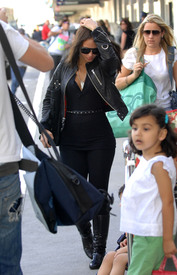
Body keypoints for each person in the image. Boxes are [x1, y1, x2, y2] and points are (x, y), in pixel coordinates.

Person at [40, 17, 128, 270]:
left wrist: (97, 31)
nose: (91, 54)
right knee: (76, 194)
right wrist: (46, 127)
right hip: (70, 139)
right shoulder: (64, 68)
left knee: (99, 193)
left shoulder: (103, 66)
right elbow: (50, 98)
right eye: (86, 50)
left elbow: (111, 56)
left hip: (100, 137)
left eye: (94, 49)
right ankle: (86, 236)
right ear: (77, 47)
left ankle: (100, 249)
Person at [0, 8, 54, 275]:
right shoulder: (1, 30)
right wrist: (7, 28)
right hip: (3, 167)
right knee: (8, 263)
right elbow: (46, 62)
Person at [120, 104, 177, 275]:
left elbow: (168, 202)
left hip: (151, 234)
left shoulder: (158, 165)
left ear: (162, 133)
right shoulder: (150, 159)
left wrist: (168, 240)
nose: (138, 133)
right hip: (145, 232)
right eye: (134, 128)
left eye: (146, 129)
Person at [115, 14, 177, 110]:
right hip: (141, 112)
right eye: (147, 32)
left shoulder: (171, 53)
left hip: (165, 110)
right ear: (142, 33)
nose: (151, 36)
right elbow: (117, 84)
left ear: (162, 33)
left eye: (155, 32)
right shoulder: (134, 54)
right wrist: (134, 75)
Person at [97, 185, 128, 275]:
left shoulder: (143, 220)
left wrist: (127, 248)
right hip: (135, 248)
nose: (120, 204)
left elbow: (146, 242)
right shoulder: (131, 219)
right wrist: (127, 241)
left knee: (119, 258)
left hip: (146, 251)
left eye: (125, 201)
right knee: (109, 255)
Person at [10, 28, 27, 94]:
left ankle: (12, 96)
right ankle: (12, 97)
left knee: (17, 83)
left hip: (23, 66)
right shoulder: (14, 42)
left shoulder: (25, 42)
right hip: (15, 65)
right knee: (14, 82)